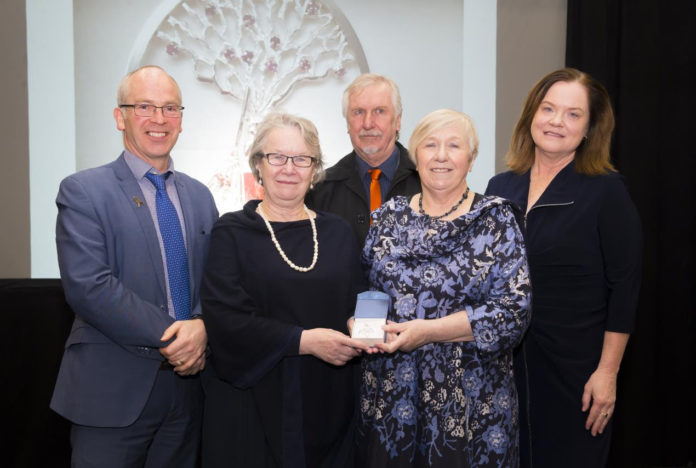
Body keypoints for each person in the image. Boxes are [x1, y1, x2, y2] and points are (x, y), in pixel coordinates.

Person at [50, 65, 219, 467]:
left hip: (187, 394)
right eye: (144, 106)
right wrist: (181, 336)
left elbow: (218, 283)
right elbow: (89, 286)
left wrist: (205, 325)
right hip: (111, 391)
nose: (159, 119)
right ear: (119, 116)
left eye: (170, 108)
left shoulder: (200, 196)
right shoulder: (83, 191)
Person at [356, 109, 532, 467]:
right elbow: (365, 289)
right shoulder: (388, 218)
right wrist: (360, 326)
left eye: (454, 146)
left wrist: (429, 332)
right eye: (430, 145)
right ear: (414, 157)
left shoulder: (496, 219)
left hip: (473, 407)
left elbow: (514, 311)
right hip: (393, 401)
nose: (440, 156)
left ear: (471, 158)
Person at [485, 68, 642, 468]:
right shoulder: (500, 187)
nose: (557, 121)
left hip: (576, 373)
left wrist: (607, 373)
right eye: (548, 108)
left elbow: (625, 287)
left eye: (573, 114)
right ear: (531, 116)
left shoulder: (606, 190)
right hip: (505, 368)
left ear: (590, 129)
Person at [200, 112, 370, 467]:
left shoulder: (338, 233)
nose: (289, 168)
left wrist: (362, 325)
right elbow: (225, 320)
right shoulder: (231, 232)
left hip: (331, 399)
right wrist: (304, 341)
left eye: (301, 159)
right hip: (255, 404)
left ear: (315, 170)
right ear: (258, 165)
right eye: (276, 157)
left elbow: (361, 296)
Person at [306, 73, 421, 245]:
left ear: (397, 121)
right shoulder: (321, 188)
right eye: (358, 112)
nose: (368, 123)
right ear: (347, 124)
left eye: (379, 111)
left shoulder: (427, 181)